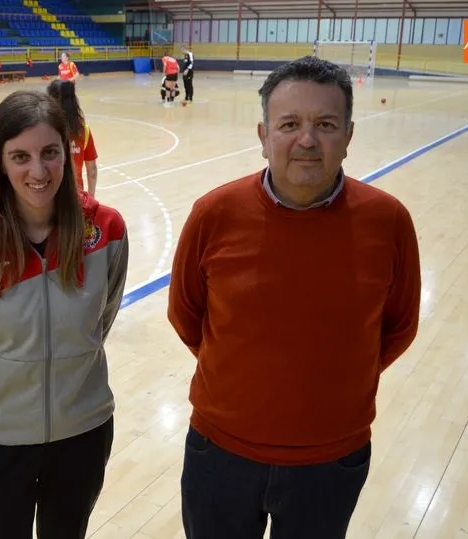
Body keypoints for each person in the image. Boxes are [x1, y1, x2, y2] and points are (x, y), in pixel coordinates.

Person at [167, 55, 421, 538]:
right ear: (264, 137)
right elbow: (186, 313)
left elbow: (400, 326)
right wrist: (243, 375)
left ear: (348, 136)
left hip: (332, 460)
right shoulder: (214, 214)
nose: (307, 139)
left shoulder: (388, 222)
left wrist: (331, 381)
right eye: (290, 124)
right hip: (219, 452)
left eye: (325, 124)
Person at [0, 90, 129, 538]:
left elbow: (102, 318)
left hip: (83, 430)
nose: (37, 172)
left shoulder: (107, 231)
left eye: (49, 154)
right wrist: (1, 378)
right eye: (20, 156)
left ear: (67, 153)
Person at [46, 79, 98, 198]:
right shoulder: (83, 130)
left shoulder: (43, 130)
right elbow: (92, 170)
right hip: (76, 197)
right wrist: (91, 198)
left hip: (49, 196)